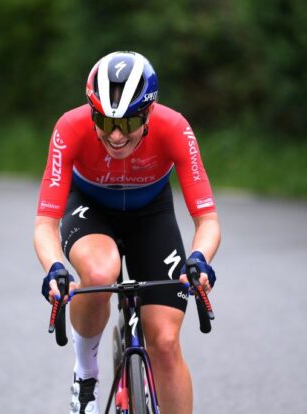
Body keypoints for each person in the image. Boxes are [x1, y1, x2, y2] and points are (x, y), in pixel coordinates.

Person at [34, 51, 221, 414]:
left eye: (129, 121)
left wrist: (200, 259)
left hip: (151, 214)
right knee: (101, 272)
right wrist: (55, 267)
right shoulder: (69, 128)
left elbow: (207, 219)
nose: (116, 136)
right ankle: (86, 374)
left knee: (165, 341)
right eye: (104, 122)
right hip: (91, 209)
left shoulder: (175, 127)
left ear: (149, 112)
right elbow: (45, 223)